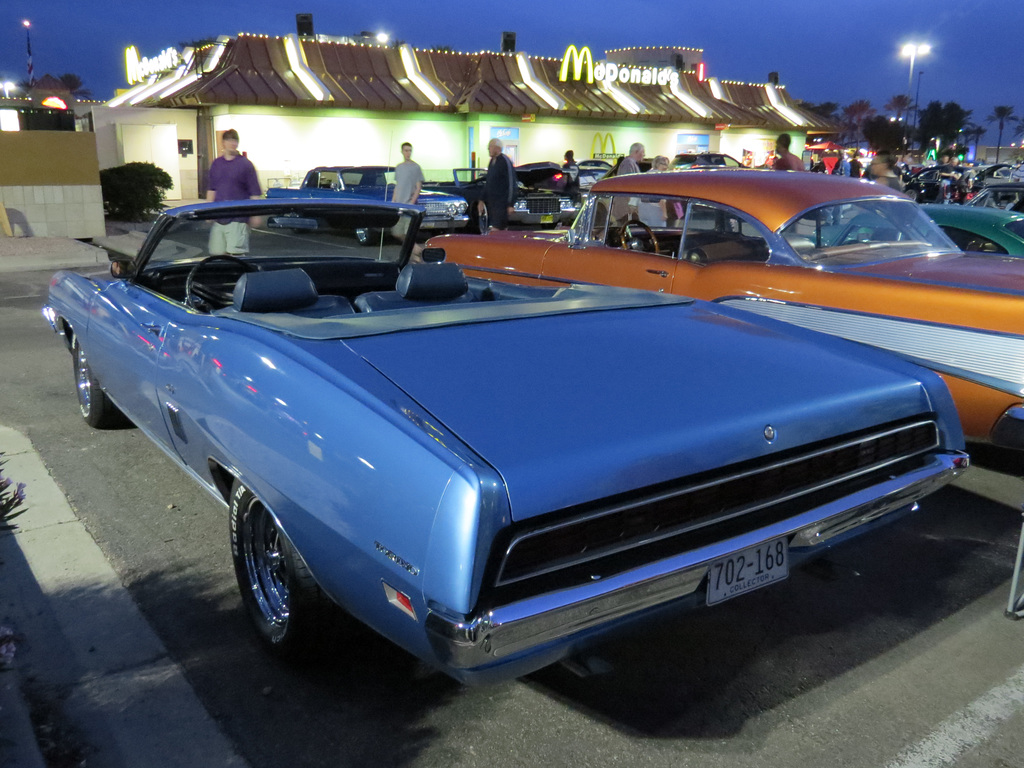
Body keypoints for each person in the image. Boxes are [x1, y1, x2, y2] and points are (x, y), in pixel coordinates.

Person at [205, 128, 262, 255]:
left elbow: (254, 192)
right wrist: (207, 211)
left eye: (235, 140)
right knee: (216, 253)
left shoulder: (246, 165)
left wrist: (255, 214)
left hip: (238, 218)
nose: (232, 143)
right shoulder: (216, 164)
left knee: (235, 254)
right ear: (223, 143)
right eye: (229, 140)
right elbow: (212, 189)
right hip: (219, 217)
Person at [391, 141, 424, 255]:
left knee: (408, 232)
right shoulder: (399, 167)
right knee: (396, 232)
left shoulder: (416, 167)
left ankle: (415, 255)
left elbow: (418, 187)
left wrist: (412, 202)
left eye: (410, 150)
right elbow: (398, 185)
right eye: (406, 150)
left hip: (409, 205)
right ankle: (416, 250)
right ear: (402, 152)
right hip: (399, 205)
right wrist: (393, 200)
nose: (408, 153)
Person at [480, 138, 516, 231]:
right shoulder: (492, 162)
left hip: (502, 204)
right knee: (497, 229)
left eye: (490, 147)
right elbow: (488, 182)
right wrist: (482, 200)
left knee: (497, 229)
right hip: (493, 204)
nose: (488, 149)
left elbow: (512, 183)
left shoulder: (505, 161)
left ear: (497, 148)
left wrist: (510, 204)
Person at [612, 142, 646, 222]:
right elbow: (627, 184)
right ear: (636, 152)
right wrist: (631, 204)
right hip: (626, 208)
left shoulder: (630, 163)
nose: (644, 155)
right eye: (643, 152)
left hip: (626, 206)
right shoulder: (629, 163)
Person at [636, 155, 669, 227]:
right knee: (659, 232)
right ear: (659, 164)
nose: (667, 167)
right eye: (665, 164)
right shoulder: (661, 177)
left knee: (645, 231)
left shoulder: (645, 175)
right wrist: (664, 213)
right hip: (655, 209)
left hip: (642, 208)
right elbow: (661, 197)